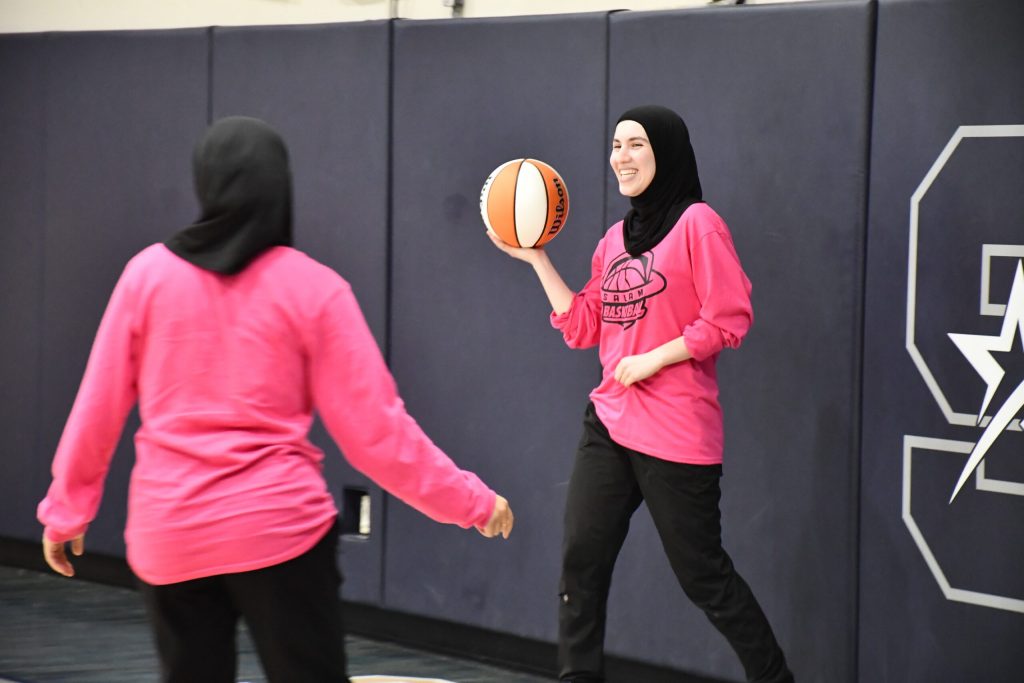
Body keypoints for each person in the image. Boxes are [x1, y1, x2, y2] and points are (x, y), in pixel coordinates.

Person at [38, 116, 514, 683]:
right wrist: (472, 503)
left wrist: (66, 511)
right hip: (279, 535)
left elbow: (98, 407)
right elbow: (378, 436)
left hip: (170, 536)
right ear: (279, 185)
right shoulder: (314, 288)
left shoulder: (145, 276)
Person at [487, 105, 792, 683]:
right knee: (581, 563)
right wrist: (537, 259)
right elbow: (582, 326)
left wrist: (655, 357)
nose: (620, 157)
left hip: (677, 432)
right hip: (609, 422)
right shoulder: (612, 241)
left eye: (636, 146)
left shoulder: (699, 224)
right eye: (615, 145)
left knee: (704, 577)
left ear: (666, 153)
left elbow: (730, 318)